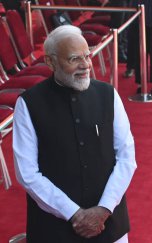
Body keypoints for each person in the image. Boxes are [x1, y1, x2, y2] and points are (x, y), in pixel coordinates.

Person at [13, 25, 137, 242]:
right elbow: (27, 173)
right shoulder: (29, 103)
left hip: (109, 225)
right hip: (54, 229)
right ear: (51, 62)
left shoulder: (108, 95)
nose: (85, 65)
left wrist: (104, 208)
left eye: (87, 56)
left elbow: (126, 157)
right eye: (74, 59)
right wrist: (73, 213)